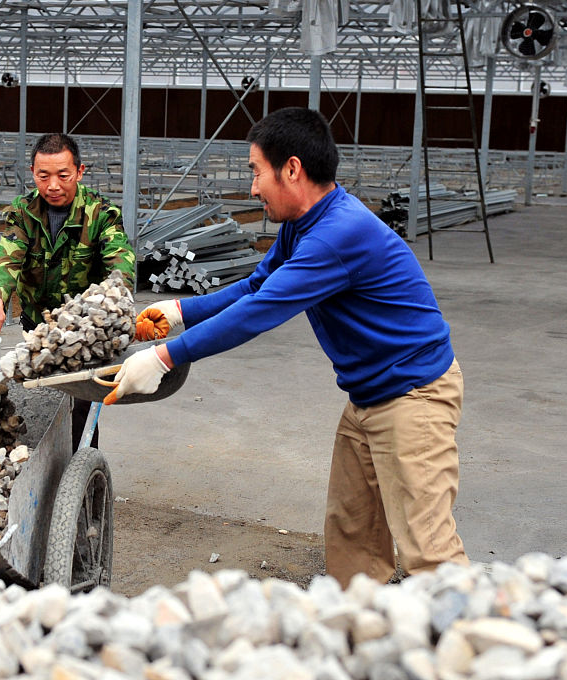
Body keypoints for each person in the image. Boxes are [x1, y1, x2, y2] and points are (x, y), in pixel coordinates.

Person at [111, 107, 467, 587]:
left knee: (430, 549)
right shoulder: (303, 224)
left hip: (413, 396)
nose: (252, 188)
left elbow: (259, 311)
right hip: (369, 395)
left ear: (292, 169)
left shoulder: (337, 235)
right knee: (353, 533)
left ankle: (476, 629)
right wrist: (179, 312)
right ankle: (358, 622)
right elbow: (257, 286)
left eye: (256, 171)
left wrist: (166, 356)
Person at [0, 133, 135, 451]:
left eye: (63, 175)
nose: (53, 185)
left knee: (81, 407)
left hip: (83, 332)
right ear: (32, 173)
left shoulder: (100, 213)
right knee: (39, 397)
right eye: (43, 176)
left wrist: (114, 302)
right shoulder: (24, 212)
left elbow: (120, 262)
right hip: (37, 324)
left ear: (80, 171)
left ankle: (82, 465)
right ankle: (40, 461)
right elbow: (7, 260)